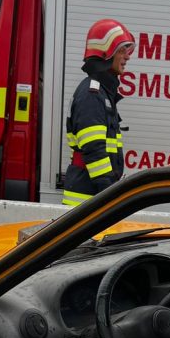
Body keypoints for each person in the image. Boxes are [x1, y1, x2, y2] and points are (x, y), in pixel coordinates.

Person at [62, 19, 135, 208]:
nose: (127, 57)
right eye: (122, 51)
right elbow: (94, 149)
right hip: (87, 199)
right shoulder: (92, 94)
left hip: (91, 194)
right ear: (105, 53)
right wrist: (108, 194)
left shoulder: (101, 92)